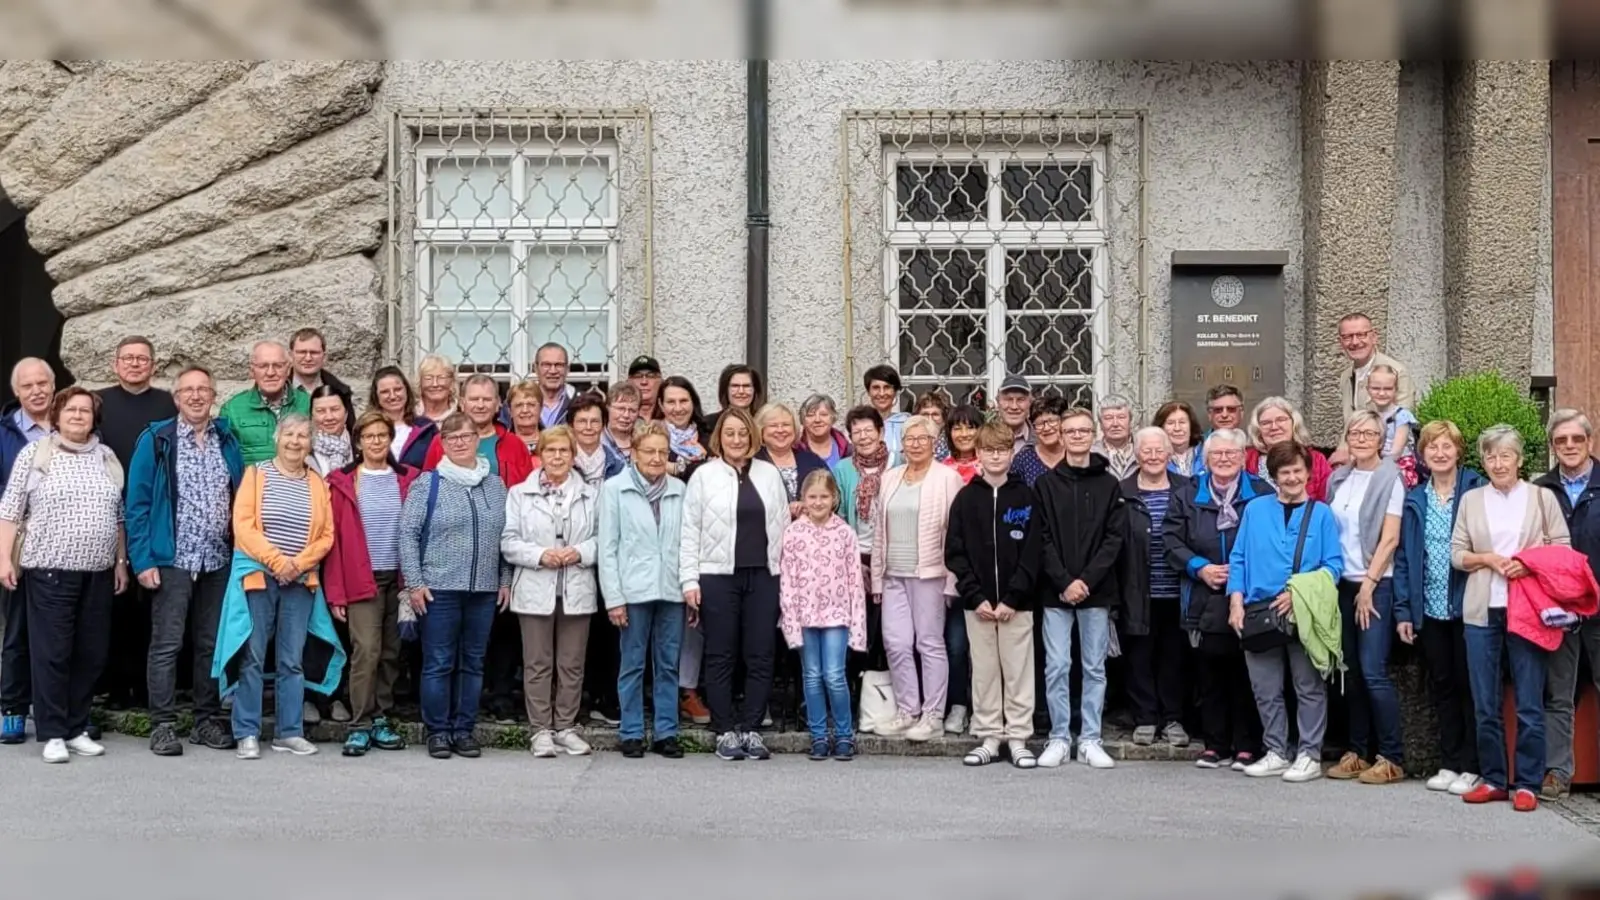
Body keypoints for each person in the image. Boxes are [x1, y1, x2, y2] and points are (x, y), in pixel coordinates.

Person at [0, 387, 127, 763]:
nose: (77, 416)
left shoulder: (105, 456)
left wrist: (121, 562)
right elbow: (10, 510)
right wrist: (4, 559)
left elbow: (117, 515)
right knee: (52, 653)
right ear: (56, 416)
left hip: (99, 571)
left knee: (90, 653)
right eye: (70, 410)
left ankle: (76, 727)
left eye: (85, 411)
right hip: (49, 570)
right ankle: (53, 733)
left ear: (94, 418)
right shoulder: (36, 454)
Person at [127, 366, 246, 756]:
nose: (196, 397)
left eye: (203, 390)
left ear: (213, 396)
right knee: (167, 643)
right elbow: (138, 505)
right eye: (187, 391)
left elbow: (240, 494)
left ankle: (205, 719)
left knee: (210, 642)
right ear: (176, 398)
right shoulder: (156, 439)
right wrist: (142, 560)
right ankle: (162, 724)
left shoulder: (226, 438)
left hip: (217, 558)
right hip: (172, 557)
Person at [1451, 424, 1569, 811]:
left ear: (1520, 459)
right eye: (1490, 456)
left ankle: (1528, 784)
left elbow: (1562, 549)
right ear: (1482, 460)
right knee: (1485, 702)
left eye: (1505, 455)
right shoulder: (1471, 500)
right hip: (1481, 610)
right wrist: (1486, 559)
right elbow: (1457, 554)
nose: (1498, 463)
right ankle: (1495, 779)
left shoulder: (1541, 498)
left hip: (1528, 609)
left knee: (1529, 702)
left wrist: (1528, 564)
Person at [216, 413, 342, 761]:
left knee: (292, 659)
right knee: (253, 654)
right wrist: (277, 561)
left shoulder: (317, 483)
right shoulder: (256, 475)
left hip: (300, 580)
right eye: (289, 434)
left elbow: (326, 534)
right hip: (259, 575)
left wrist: (297, 565)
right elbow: (243, 526)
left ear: (310, 443)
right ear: (277, 437)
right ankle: (247, 731)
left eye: (303, 435)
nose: (295, 441)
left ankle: (289, 732)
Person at [1227, 440, 1344, 783]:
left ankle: (1309, 754)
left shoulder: (1322, 514)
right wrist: (1235, 600)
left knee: (1308, 685)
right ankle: (1276, 750)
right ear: (1274, 476)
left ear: (1308, 473)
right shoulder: (1255, 509)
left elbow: (1333, 565)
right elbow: (1239, 557)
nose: (1292, 478)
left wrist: (1298, 594)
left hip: (1303, 610)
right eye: (1284, 472)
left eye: (1297, 471)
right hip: (1258, 609)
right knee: (1265, 688)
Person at [399, 411, 512, 760]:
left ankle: (464, 729)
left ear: (477, 438)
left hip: (483, 589)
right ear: (443, 445)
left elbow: (506, 535)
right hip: (440, 587)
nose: (460, 442)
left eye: (466, 436)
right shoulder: (428, 483)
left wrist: (504, 579)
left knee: (473, 662)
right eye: (452, 438)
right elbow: (407, 533)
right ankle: (438, 731)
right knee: (439, 661)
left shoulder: (495, 484)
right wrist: (415, 583)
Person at [680, 408, 789, 761]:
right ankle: (725, 729)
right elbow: (689, 531)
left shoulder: (770, 475)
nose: (737, 440)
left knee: (760, 653)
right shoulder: (704, 476)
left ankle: (753, 728)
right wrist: (689, 581)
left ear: (752, 436)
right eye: (730, 433)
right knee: (721, 653)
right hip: (716, 576)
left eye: (743, 433)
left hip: (763, 575)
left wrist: (785, 578)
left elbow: (784, 528)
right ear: (719, 438)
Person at [1166, 428, 1268, 771]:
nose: (1224, 459)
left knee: (1246, 674)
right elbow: (1171, 541)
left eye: (1231, 454)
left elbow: (1271, 543)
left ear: (1243, 457)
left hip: (1249, 597)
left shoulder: (1261, 493)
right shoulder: (1186, 493)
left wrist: (1242, 573)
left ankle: (1247, 745)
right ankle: (1215, 744)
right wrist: (1201, 568)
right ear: (1206, 459)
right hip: (1201, 596)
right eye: (1217, 454)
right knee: (1208, 675)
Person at [1393, 419, 1484, 796]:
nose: (1440, 453)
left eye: (1447, 446)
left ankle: (1472, 765)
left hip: (1471, 607)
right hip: (1429, 607)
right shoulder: (1416, 497)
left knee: (1471, 687)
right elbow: (1404, 558)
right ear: (1423, 454)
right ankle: (1448, 763)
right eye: (1432, 447)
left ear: (1458, 451)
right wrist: (1403, 610)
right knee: (1442, 687)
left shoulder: (1476, 489)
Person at [1034, 406, 1126, 770]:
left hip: (1096, 591)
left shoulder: (1109, 484)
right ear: (1061, 435)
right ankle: (1059, 736)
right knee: (1056, 666)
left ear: (1093, 435)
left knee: (1094, 667)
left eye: (1083, 431)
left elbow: (1113, 539)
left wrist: (1086, 581)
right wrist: (1064, 581)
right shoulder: (1045, 484)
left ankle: (1090, 738)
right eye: (1069, 431)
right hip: (1056, 592)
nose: (1076, 436)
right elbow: (1041, 540)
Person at [324, 409, 419, 757]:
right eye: (369, 436)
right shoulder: (343, 482)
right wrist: (335, 591)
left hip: (399, 577)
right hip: (360, 578)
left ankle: (380, 715)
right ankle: (360, 723)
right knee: (367, 651)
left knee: (392, 652)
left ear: (390, 439)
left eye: (382, 435)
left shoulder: (409, 478)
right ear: (358, 441)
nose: (376, 441)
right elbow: (332, 543)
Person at [501, 424, 600, 759]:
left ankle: (566, 726)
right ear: (539, 455)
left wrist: (580, 552)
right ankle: (540, 729)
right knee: (538, 662)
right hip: (535, 586)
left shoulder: (592, 495)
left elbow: (605, 539)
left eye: (564, 451)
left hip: (576, 585)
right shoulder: (519, 494)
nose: (557, 457)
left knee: (572, 663)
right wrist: (540, 555)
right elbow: (509, 542)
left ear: (573, 456)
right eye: (551, 450)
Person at [945, 421, 1039, 768]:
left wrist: (1014, 597)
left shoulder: (1026, 496)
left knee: (1018, 670)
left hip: (1018, 605)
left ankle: (1017, 737)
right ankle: (988, 735)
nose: (996, 456)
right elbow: (955, 552)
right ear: (979, 454)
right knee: (984, 670)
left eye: (1002, 450)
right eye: (989, 450)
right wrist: (975, 595)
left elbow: (1033, 552)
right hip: (978, 604)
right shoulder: (967, 498)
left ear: (1011, 453)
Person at [1324, 409, 1408, 785]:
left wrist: (1369, 587)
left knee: (1374, 670)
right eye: (1354, 432)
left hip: (1376, 583)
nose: (1360, 438)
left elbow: (1390, 538)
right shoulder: (1339, 478)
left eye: (1369, 433)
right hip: (1342, 582)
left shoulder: (1390, 478)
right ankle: (1357, 751)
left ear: (1381, 439)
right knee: (1351, 673)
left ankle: (1391, 755)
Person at [869, 414, 964, 742]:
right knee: (895, 643)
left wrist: (952, 581)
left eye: (923, 438)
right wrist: (877, 580)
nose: (915, 444)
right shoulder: (890, 478)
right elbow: (880, 531)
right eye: (909, 438)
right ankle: (907, 710)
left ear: (934, 442)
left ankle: (933, 715)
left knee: (929, 643)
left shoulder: (947, 478)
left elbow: (955, 533)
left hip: (930, 574)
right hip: (893, 573)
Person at [599, 421, 687, 759]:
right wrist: (614, 597)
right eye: (649, 451)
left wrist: (688, 586)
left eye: (662, 452)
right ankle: (631, 731)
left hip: (670, 588)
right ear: (634, 453)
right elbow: (608, 547)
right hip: (632, 590)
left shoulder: (679, 489)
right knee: (632, 663)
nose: (655, 458)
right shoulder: (615, 489)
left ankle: (667, 731)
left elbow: (685, 542)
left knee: (667, 663)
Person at [1533, 408, 1600, 801]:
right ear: (1553, 447)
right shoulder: (1541, 491)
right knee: (1558, 695)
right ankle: (1557, 773)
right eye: (1561, 441)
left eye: (1577, 439)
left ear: (1589, 442)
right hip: (1558, 611)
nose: (1570, 446)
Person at [779, 469, 867, 761]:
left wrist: (858, 625)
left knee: (834, 675)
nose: (818, 502)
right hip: (804, 616)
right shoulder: (793, 533)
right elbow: (788, 581)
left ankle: (843, 735)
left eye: (824, 497)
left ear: (834, 499)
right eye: (812, 497)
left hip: (837, 615)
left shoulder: (844, 533)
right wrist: (790, 622)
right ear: (803, 499)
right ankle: (818, 735)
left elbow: (855, 580)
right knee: (812, 676)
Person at [1120, 426, 1190, 748]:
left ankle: (1173, 718)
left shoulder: (1187, 489)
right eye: (1145, 450)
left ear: (1169, 453)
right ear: (1136, 454)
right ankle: (1146, 718)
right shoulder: (1122, 492)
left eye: (1158, 450)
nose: (1152, 456)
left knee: (1174, 658)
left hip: (1177, 589)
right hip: (1137, 589)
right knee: (1139, 657)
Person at [0, 358, 54, 745]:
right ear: (16, 392)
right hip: (18, 542)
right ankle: (13, 708)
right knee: (17, 629)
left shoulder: (78, 424)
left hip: (65, 545)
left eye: (42, 383)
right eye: (27, 386)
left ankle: (56, 708)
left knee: (60, 631)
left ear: (53, 386)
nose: (36, 391)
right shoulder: (4, 434)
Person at [421, 374, 534, 487]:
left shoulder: (514, 445)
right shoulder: (442, 441)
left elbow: (528, 492)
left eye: (487, 399)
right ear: (462, 403)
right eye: (474, 399)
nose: (480, 405)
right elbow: (426, 487)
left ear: (497, 403)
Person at [220, 340, 311, 466]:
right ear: (252, 371)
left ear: (288, 369)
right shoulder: (232, 410)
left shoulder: (308, 404)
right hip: (253, 484)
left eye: (278, 366)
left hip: (300, 484)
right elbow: (226, 463)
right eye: (263, 366)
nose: (270, 373)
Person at [96, 336, 176, 473]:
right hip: (107, 485)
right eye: (128, 358)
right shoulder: (96, 401)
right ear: (115, 365)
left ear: (153, 367)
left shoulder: (170, 402)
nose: (134, 364)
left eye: (142, 359)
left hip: (153, 488)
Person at [1336, 312, 1416, 427]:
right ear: (1341, 343)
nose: (1355, 342)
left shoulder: (1396, 372)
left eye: (1361, 335)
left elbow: (1402, 424)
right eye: (1347, 337)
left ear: (1374, 337)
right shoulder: (1345, 377)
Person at [1246, 397, 1333, 501]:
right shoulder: (1246, 459)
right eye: (1266, 423)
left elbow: (1328, 499)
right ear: (1258, 429)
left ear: (1294, 423)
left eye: (1281, 420)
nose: (1274, 427)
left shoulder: (1317, 460)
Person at [755, 402, 829, 518]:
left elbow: (833, 495)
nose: (780, 430)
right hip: (767, 533)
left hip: (809, 532)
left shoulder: (812, 460)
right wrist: (783, 510)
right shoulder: (752, 464)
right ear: (762, 430)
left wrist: (809, 506)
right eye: (773, 425)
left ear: (794, 429)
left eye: (786, 425)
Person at [289, 327, 357, 427]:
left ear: (324, 357)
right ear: (291, 355)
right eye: (302, 352)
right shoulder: (279, 389)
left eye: (314, 353)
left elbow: (352, 433)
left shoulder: (340, 391)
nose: (308, 358)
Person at [371, 366, 434, 468]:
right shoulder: (367, 430)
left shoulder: (427, 429)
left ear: (406, 391)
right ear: (376, 397)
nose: (392, 396)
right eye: (385, 392)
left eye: (398, 389)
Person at [569, 392, 624, 489]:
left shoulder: (618, 467)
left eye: (595, 421)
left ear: (603, 425)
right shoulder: (563, 463)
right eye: (582, 421)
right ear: (571, 425)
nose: (588, 427)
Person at [661, 375, 711, 480]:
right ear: (661, 405)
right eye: (671, 402)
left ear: (693, 402)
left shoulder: (709, 438)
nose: (678, 408)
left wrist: (704, 458)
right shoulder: (651, 436)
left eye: (683, 401)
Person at [1010, 396, 1067, 487]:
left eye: (1052, 421)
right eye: (1039, 423)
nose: (1046, 428)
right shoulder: (1023, 460)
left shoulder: (1075, 454)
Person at [1367, 365, 1417, 464]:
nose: (1381, 393)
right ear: (1368, 389)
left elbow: (1396, 452)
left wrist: (1378, 466)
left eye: (1388, 389)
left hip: (1399, 464)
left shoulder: (1401, 416)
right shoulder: (1370, 416)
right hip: (1375, 462)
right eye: (1376, 388)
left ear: (1396, 390)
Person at [863, 364, 911, 459]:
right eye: (876, 388)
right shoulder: (859, 424)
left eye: (887, 387)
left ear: (895, 391)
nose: (881, 393)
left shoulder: (907, 423)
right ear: (868, 392)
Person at [308, 384, 355, 478]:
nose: (329, 417)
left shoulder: (359, 446)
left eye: (335, 409)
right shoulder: (304, 449)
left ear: (346, 413)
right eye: (321, 411)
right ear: (312, 416)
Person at [798, 393, 851, 470]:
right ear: (803, 420)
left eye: (823, 414)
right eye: (811, 415)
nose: (817, 420)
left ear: (833, 418)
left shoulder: (847, 450)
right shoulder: (796, 450)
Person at [1092, 395, 1137, 481]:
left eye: (1121, 417)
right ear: (1100, 424)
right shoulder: (1091, 454)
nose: (1115, 424)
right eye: (1108, 418)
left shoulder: (1145, 451)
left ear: (1131, 422)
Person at [1154, 399, 1203, 478]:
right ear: (1161, 428)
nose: (1177, 428)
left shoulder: (1206, 454)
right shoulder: (1154, 458)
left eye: (1182, 422)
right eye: (1170, 423)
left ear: (1191, 426)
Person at [534, 343, 578, 428]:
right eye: (546, 365)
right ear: (536, 368)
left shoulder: (580, 402)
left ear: (567, 369)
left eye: (559, 365)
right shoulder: (519, 403)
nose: (553, 371)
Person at [941, 404, 984, 485]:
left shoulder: (990, 465)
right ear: (949, 433)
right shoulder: (942, 469)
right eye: (957, 429)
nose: (964, 434)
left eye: (970, 428)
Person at [603, 382, 643, 462]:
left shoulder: (644, 440)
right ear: (608, 408)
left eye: (632, 410)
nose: (626, 415)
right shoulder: (596, 441)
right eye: (620, 409)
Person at [996, 375, 1034, 452]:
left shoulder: (1042, 440)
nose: (1014, 407)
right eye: (1008, 399)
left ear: (1030, 403)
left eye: (1021, 399)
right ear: (998, 403)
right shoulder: (983, 438)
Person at [416, 354, 457, 423]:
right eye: (428, 378)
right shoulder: (408, 415)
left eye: (441, 377)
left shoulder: (461, 417)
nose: (435, 384)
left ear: (452, 382)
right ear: (420, 382)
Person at [506, 379, 543, 456]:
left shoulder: (553, 442)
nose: (525, 410)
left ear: (540, 409)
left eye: (531, 404)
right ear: (510, 411)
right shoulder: (500, 445)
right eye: (519, 405)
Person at [914, 390, 952, 461]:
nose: (930, 419)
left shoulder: (952, 443)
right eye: (925, 414)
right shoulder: (910, 442)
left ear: (944, 418)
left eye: (935, 414)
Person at [627, 355, 664, 422]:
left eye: (651, 376)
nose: (644, 382)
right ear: (628, 382)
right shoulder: (621, 417)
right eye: (637, 376)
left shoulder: (669, 413)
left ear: (661, 381)